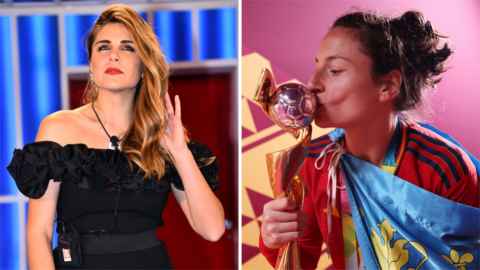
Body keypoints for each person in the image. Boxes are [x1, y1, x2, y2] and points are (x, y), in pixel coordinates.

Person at [7, 4, 224, 270]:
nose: (114, 56)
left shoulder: (161, 136)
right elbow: (38, 232)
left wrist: (180, 153)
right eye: (104, 47)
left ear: (144, 67)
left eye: (127, 47)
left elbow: (213, 230)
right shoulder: (58, 127)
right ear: (91, 64)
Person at [259, 10, 480, 270]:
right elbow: (302, 260)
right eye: (317, 66)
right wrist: (275, 241)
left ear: (388, 86)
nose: (312, 83)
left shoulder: (443, 166)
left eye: (334, 70)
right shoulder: (313, 162)